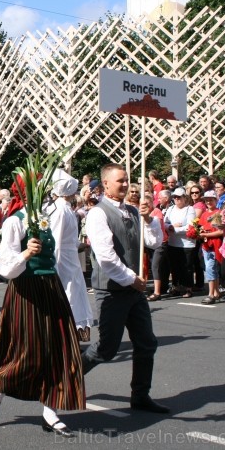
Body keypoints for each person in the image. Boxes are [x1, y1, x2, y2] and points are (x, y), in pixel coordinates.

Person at [0, 176, 85, 435]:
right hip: (25, 290)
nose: (44, 192)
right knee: (29, 352)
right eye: (37, 188)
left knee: (61, 349)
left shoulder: (47, 218)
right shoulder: (13, 222)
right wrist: (27, 253)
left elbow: (59, 256)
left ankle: (51, 412)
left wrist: (70, 289)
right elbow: (6, 267)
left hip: (51, 288)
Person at [81, 163, 169, 414]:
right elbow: (106, 257)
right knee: (106, 348)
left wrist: (149, 218)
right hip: (112, 290)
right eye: (119, 180)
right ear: (105, 184)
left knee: (146, 343)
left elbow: (154, 241)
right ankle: (68, 374)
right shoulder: (98, 214)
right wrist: (132, 279)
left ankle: (140, 395)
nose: (125, 184)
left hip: (133, 290)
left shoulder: (132, 210)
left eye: (127, 180)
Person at [47, 169, 95, 341]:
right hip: (64, 260)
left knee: (74, 293)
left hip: (69, 257)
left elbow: (66, 238)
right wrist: (55, 267)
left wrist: (77, 245)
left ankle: (70, 333)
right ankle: (66, 334)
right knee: (69, 294)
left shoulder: (64, 209)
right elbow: (56, 241)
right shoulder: (61, 210)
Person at [199, 191, 223, 304]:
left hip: (214, 245)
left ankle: (211, 293)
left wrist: (205, 234)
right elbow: (200, 227)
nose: (208, 202)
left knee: (210, 269)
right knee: (211, 269)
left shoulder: (217, 213)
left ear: (215, 200)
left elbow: (219, 232)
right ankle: (216, 292)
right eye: (207, 200)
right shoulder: (204, 214)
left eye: (211, 199)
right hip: (206, 245)